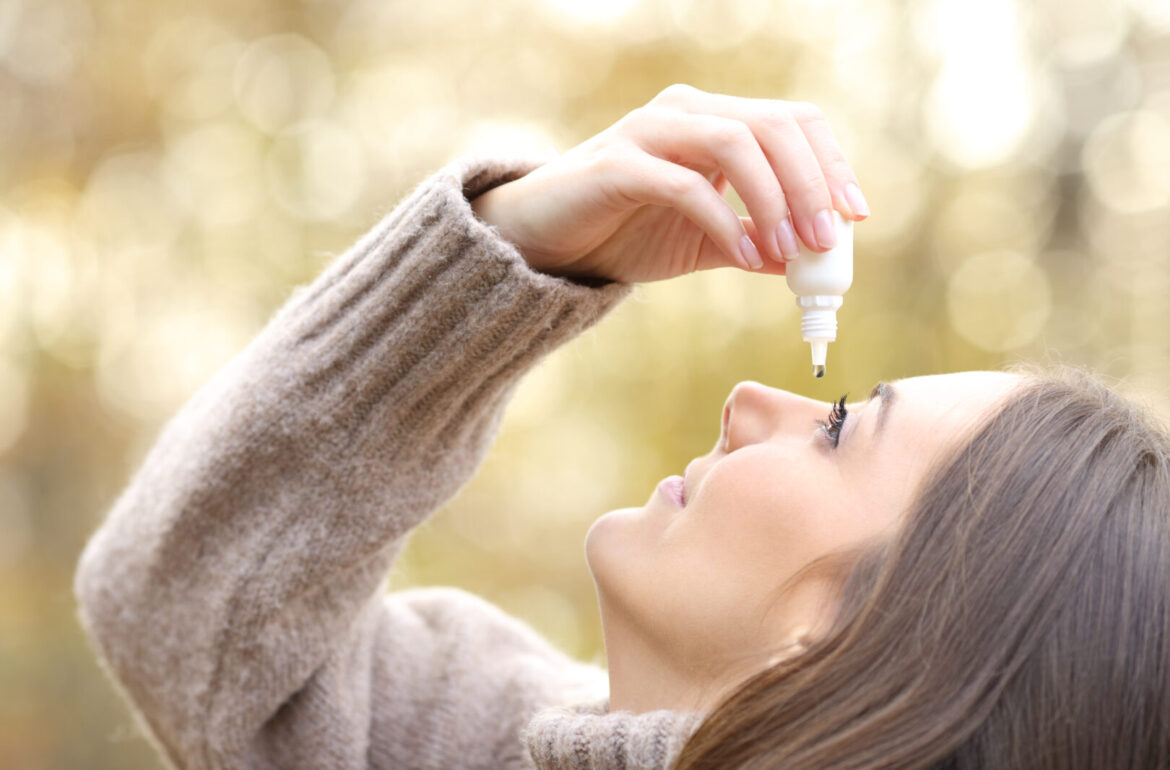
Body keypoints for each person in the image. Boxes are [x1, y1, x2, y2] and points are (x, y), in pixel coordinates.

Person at [73, 84, 1170, 770]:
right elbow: (186, 613)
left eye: (839, 429)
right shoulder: (481, 740)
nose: (749, 401)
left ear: (875, 638)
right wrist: (507, 253)